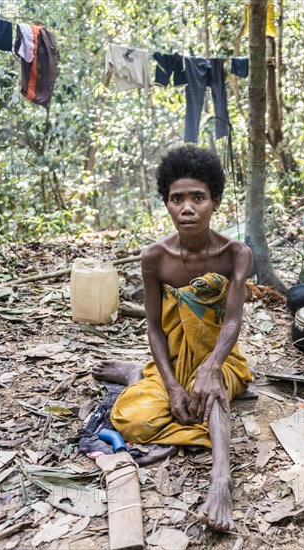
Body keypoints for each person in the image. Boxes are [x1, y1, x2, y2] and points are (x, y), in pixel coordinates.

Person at [93, 145, 253, 532]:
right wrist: (171, 384)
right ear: (166, 203)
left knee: (211, 395)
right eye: (176, 198)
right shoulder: (155, 257)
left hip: (220, 355)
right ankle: (141, 375)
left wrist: (212, 368)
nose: (187, 207)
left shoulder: (236, 254)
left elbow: (232, 321)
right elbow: (153, 327)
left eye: (198, 197)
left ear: (215, 200)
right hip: (175, 357)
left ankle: (221, 479)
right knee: (131, 418)